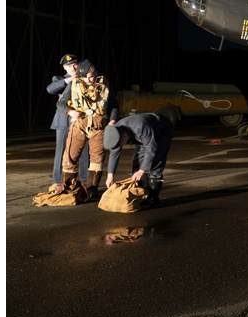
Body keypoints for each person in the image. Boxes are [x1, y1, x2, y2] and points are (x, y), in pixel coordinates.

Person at [55, 60, 118, 196]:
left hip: (99, 126)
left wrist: (112, 121)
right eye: (84, 77)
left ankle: (92, 190)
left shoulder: (105, 84)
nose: (88, 80)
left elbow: (114, 105)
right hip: (79, 125)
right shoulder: (73, 84)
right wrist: (70, 112)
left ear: (96, 73)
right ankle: (67, 187)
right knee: (70, 156)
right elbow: (61, 103)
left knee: (97, 158)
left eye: (90, 77)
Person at [103, 112, 173, 209]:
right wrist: (110, 176)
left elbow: (151, 150)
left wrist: (141, 171)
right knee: (137, 162)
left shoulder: (141, 127)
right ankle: (142, 195)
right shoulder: (116, 131)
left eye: (120, 144)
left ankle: (153, 200)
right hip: (142, 135)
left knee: (155, 164)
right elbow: (114, 153)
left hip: (161, 131)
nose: (120, 147)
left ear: (124, 137)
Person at [46, 54, 90, 186]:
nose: (73, 68)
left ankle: (85, 184)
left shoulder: (87, 78)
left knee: (84, 153)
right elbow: (50, 89)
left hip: (82, 119)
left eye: (75, 65)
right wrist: (69, 80)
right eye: (69, 66)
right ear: (65, 68)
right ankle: (57, 183)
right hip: (64, 121)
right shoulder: (60, 79)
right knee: (61, 153)